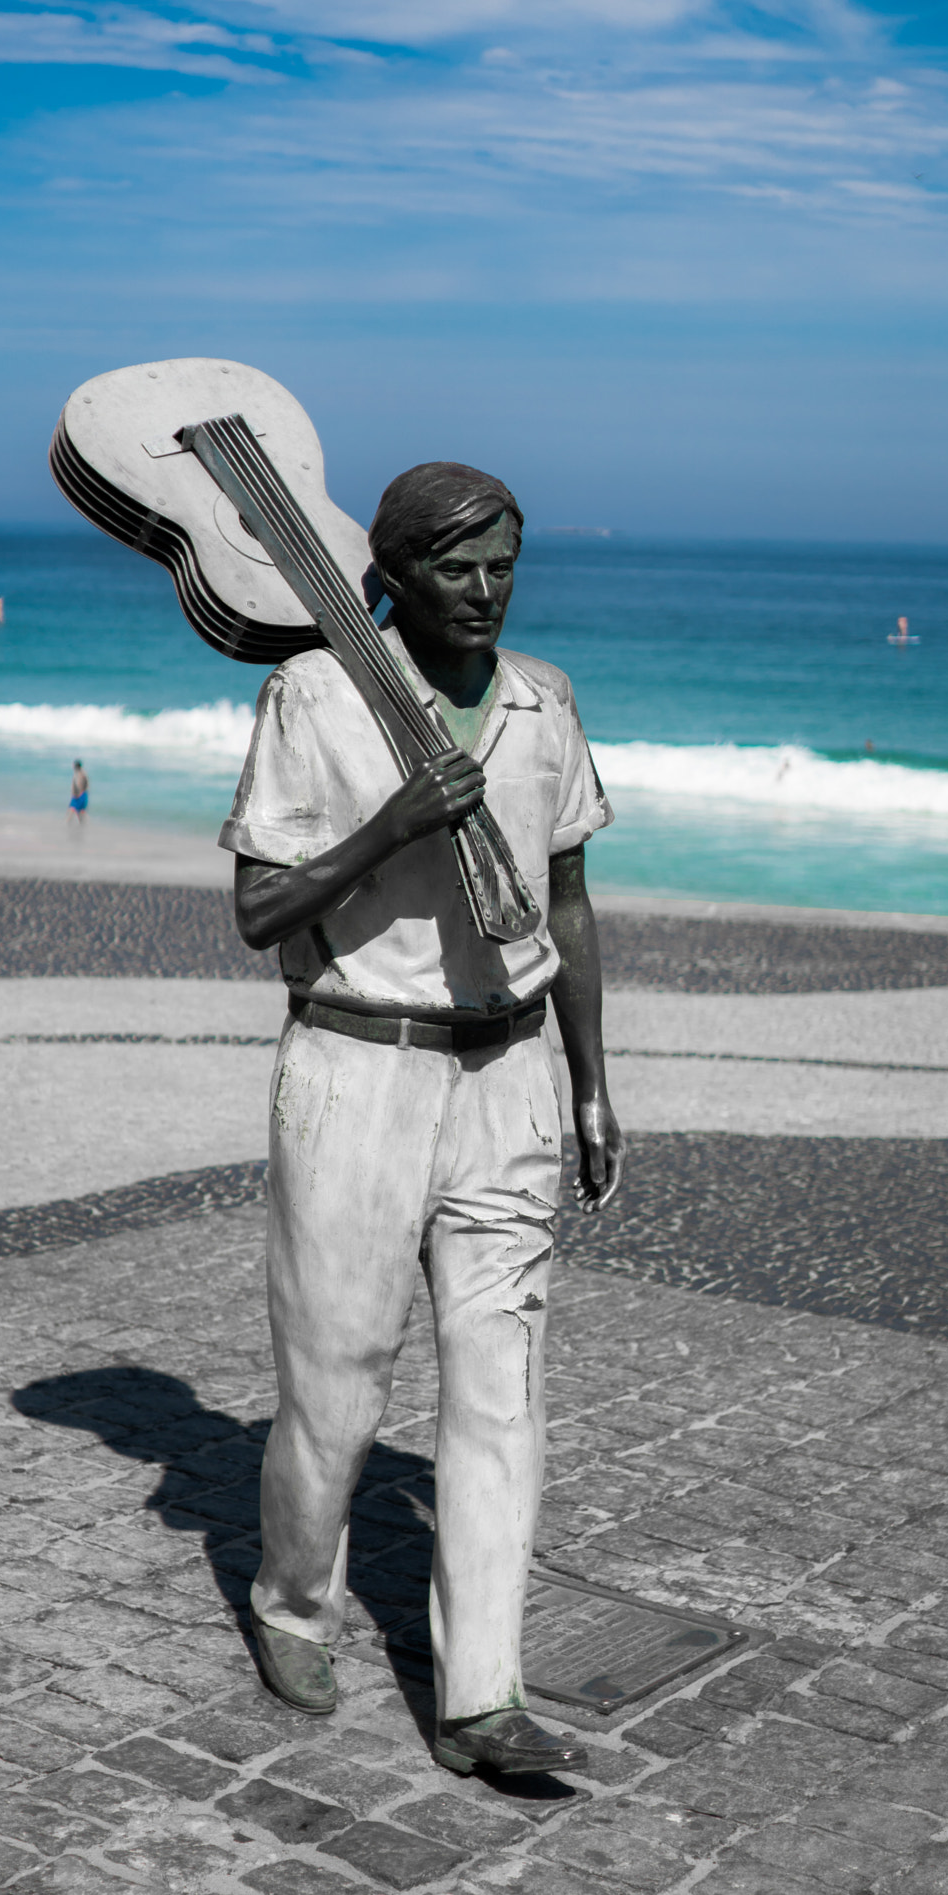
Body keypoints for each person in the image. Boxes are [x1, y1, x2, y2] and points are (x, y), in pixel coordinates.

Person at [221, 461, 624, 1780]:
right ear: (392, 575)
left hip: (504, 1075)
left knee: (499, 1393)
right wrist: (390, 825)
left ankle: (480, 1696)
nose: (487, 588)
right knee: (336, 1385)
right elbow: (261, 911)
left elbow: (566, 898)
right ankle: (292, 1599)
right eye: (457, 566)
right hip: (355, 1072)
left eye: (504, 562)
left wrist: (590, 1079)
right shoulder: (315, 696)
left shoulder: (543, 701)